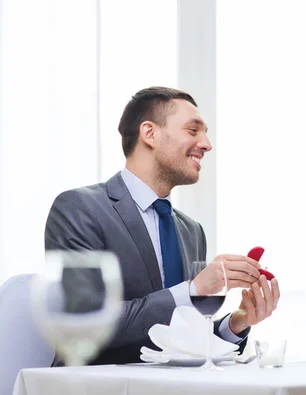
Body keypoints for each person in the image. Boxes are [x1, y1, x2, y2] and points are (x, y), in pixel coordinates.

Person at [45, 86, 280, 365]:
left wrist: (236, 323)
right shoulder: (79, 208)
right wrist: (194, 290)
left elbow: (179, 339)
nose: (206, 144)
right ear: (149, 133)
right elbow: (88, 325)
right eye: (193, 131)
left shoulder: (191, 230)